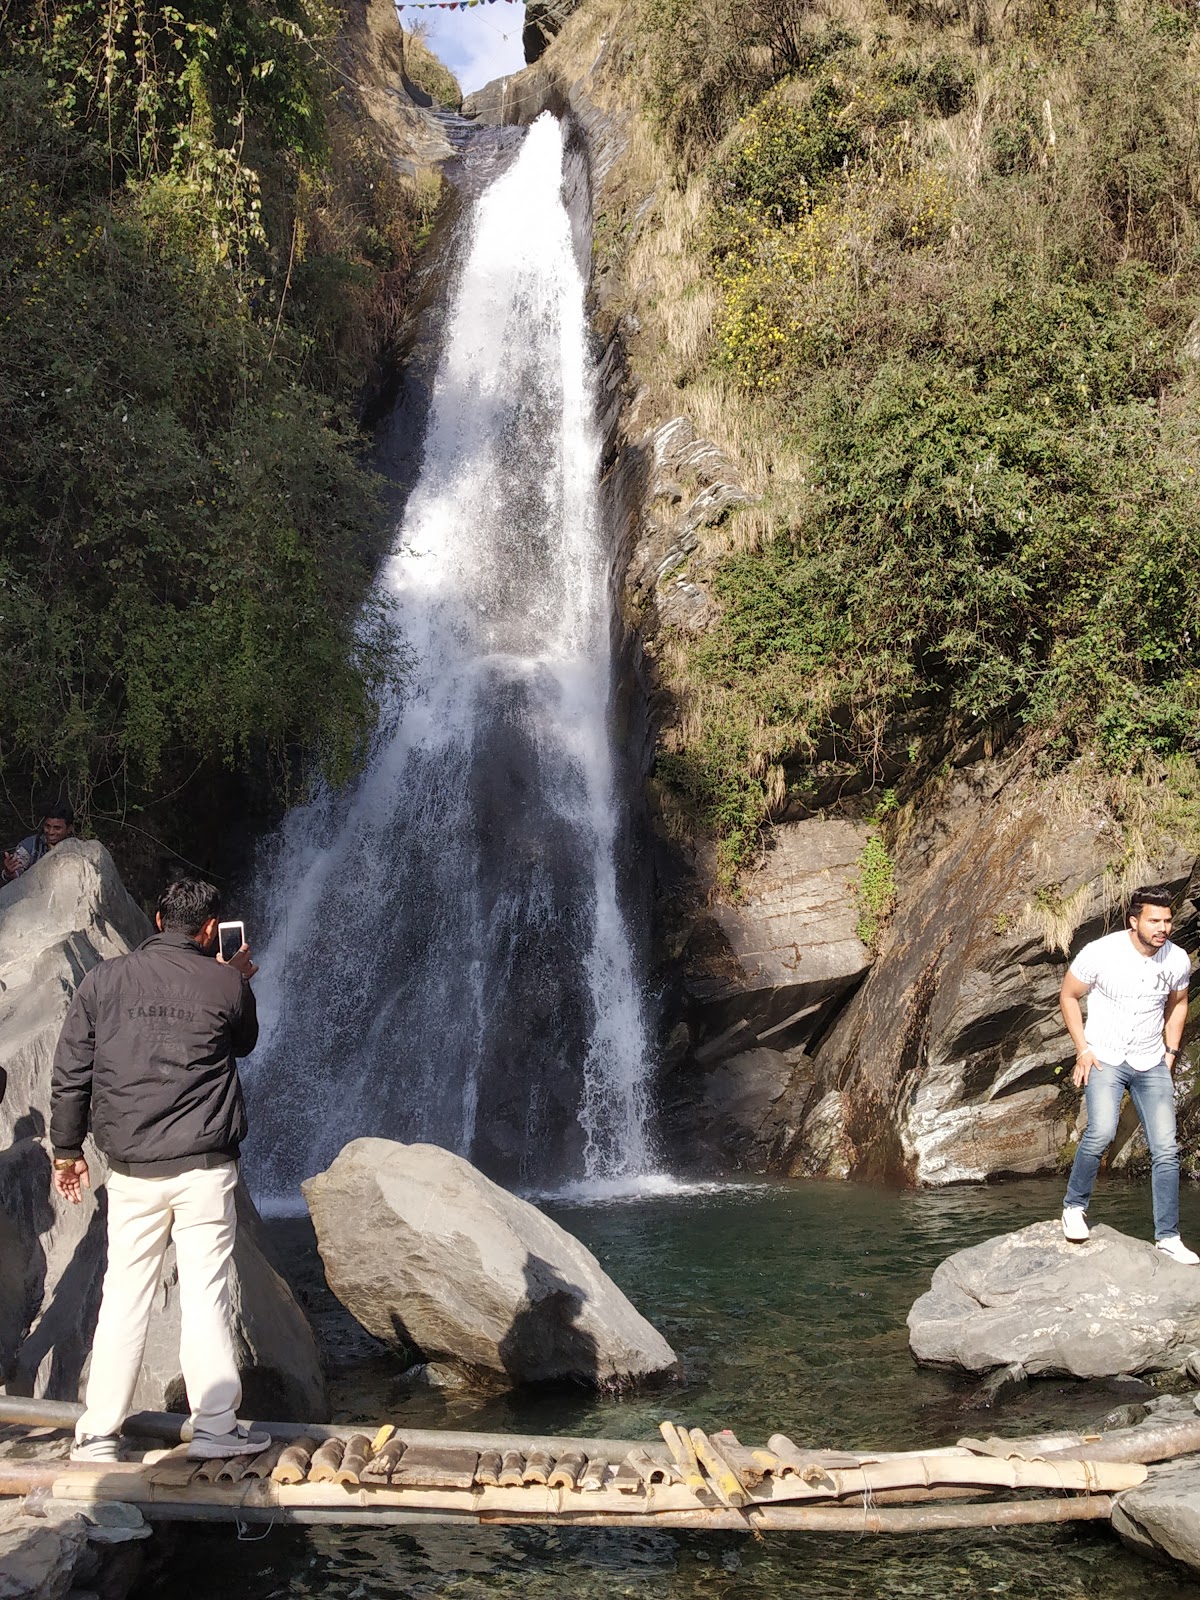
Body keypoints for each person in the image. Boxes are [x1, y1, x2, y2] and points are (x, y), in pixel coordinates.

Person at [49, 877, 271, 1462]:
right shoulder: (225, 982)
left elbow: (71, 1073)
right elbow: (243, 1042)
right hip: (203, 1168)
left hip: (130, 1171)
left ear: (155, 919)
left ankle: (98, 1434)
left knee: (123, 1296)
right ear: (208, 931)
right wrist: (240, 980)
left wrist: (67, 1151)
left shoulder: (102, 980)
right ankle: (216, 1428)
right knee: (207, 1295)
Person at [1060, 885, 1195, 1262]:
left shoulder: (1177, 959)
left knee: (1167, 1149)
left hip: (1152, 1061)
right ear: (1134, 921)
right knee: (1101, 1131)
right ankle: (1074, 1207)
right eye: (1154, 920)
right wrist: (1082, 1049)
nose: (1163, 927)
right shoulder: (1101, 953)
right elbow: (1068, 995)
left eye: (1168, 920)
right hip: (1104, 1057)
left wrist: (1170, 1053)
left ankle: (1167, 1236)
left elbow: (1179, 1003)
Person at [2, 802, 75, 883]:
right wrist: (10, 873)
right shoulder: (29, 845)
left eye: (57, 828)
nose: (50, 832)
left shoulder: (78, 849)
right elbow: (17, 871)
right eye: (47, 826)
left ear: (69, 829)